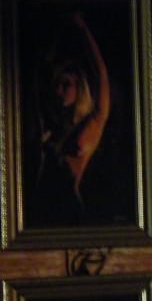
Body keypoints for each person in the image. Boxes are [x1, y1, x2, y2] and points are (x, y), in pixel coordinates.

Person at [34, 14, 110, 225]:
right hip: (42, 206)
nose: (59, 90)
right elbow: (40, 73)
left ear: (79, 87)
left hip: (68, 207)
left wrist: (82, 28)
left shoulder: (93, 121)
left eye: (66, 84)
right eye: (57, 84)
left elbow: (101, 74)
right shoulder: (53, 122)